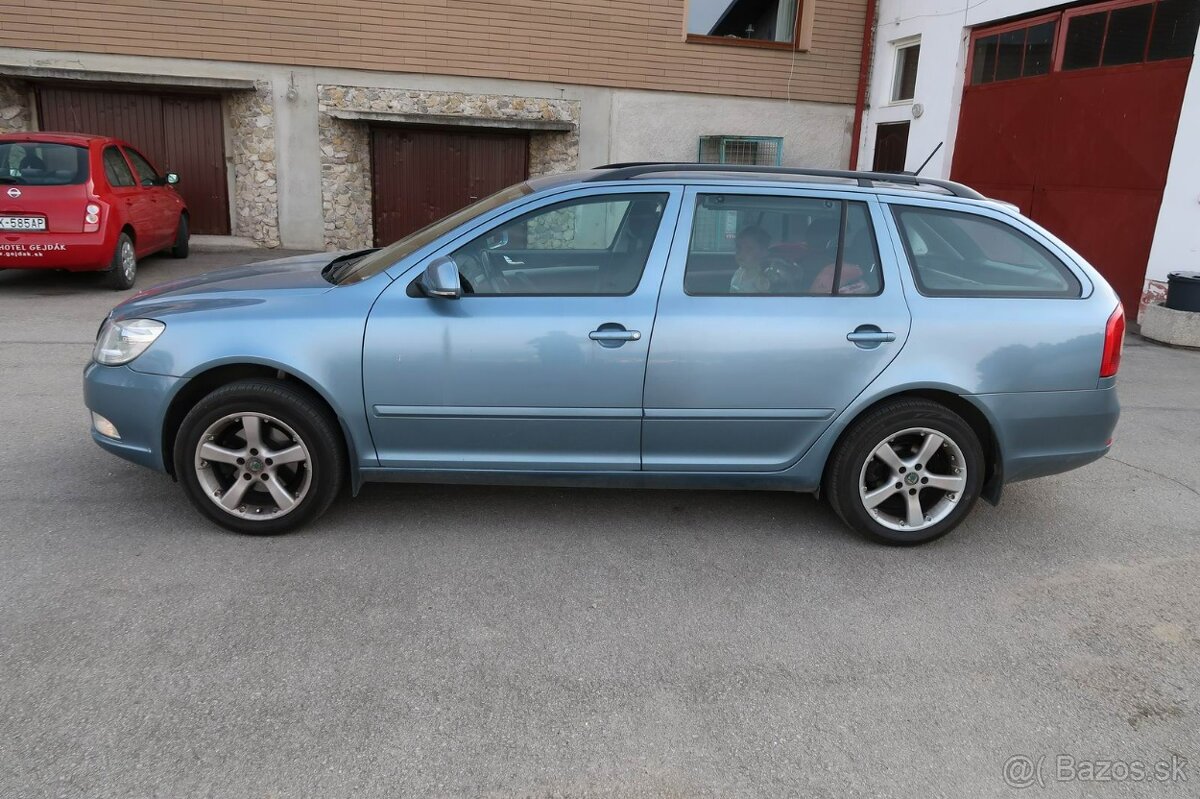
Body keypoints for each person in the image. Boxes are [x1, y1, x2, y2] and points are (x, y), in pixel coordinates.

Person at [729, 225, 774, 293]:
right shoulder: (738, 273)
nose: (741, 253)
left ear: (763, 253)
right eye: (739, 248)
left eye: (749, 249)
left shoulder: (762, 280)